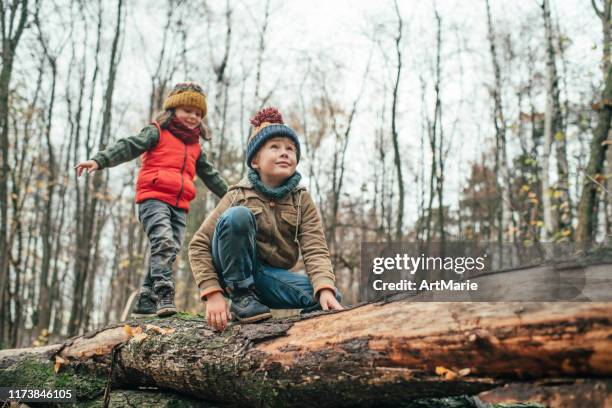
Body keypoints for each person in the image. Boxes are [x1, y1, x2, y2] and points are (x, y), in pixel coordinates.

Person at [75, 83, 228, 318]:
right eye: (187, 110)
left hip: (180, 206)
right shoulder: (157, 131)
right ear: (173, 109)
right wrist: (100, 160)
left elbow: (211, 176)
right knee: (163, 242)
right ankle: (164, 294)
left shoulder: (196, 147)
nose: (193, 117)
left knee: (170, 249)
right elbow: (128, 146)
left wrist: (234, 195)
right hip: (153, 198)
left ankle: (145, 298)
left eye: (198, 113)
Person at [189, 107, 343, 332]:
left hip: (268, 279)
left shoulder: (301, 200)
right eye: (275, 147)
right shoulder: (237, 195)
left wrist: (325, 288)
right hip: (233, 276)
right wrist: (213, 293)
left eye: (290, 149)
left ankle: (301, 332)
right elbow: (199, 244)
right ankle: (241, 298)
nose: (285, 153)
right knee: (237, 216)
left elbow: (315, 249)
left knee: (326, 295)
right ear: (255, 162)